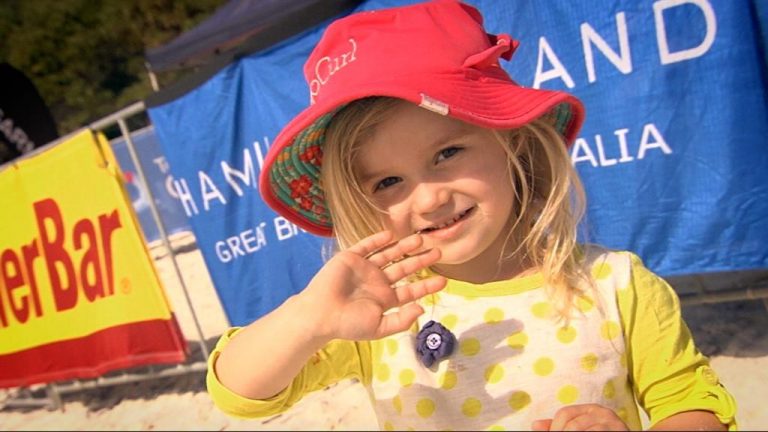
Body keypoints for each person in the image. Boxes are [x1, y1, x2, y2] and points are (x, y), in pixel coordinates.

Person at [206, 0, 737, 430]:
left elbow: (694, 404)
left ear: (514, 145)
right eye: (388, 182)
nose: (430, 198)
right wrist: (305, 319)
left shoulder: (616, 285)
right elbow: (239, 394)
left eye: (447, 154)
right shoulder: (378, 314)